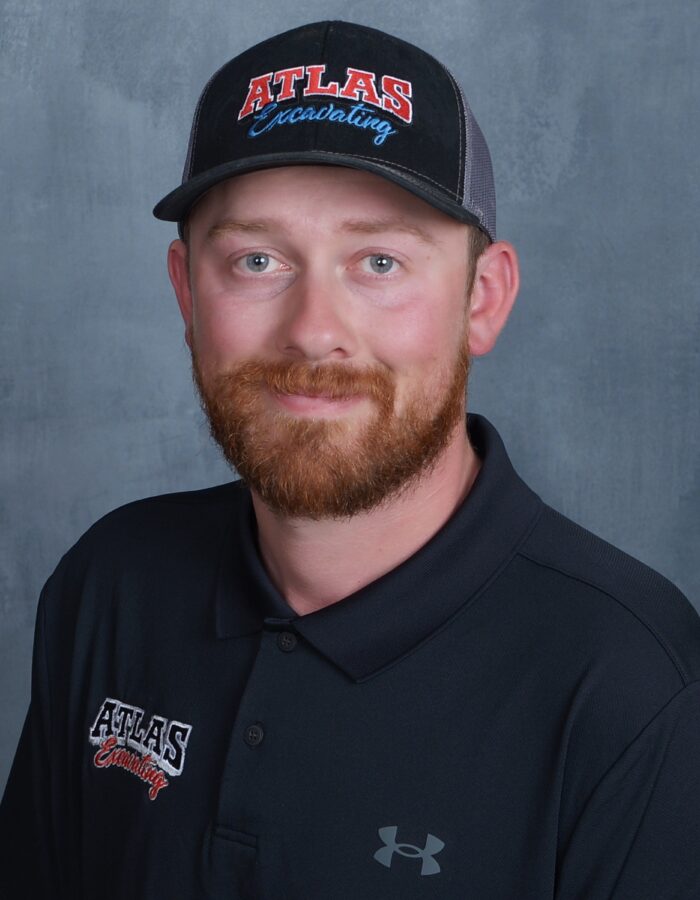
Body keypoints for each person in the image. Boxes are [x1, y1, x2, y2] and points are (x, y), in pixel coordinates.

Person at [1, 19, 699, 900]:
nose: (314, 330)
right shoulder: (110, 584)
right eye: (257, 259)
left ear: (482, 299)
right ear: (186, 291)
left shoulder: (632, 686)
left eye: (378, 261)